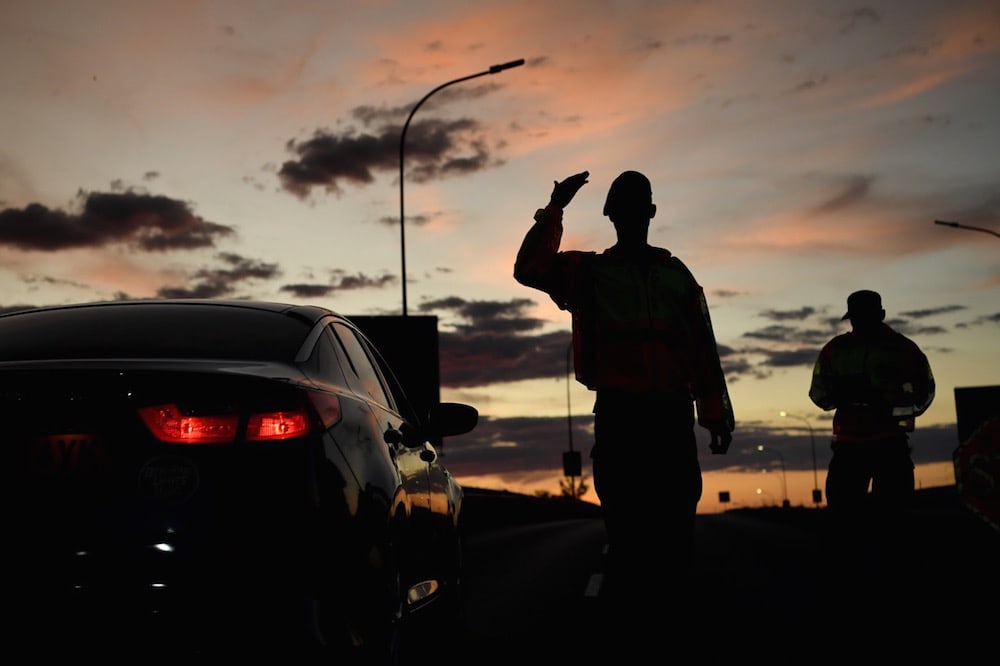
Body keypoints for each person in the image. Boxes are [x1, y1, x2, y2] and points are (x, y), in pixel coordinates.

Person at [513, 170, 735, 613]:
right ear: (611, 214)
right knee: (629, 535)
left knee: (673, 535)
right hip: (622, 417)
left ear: (650, 213)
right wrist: (555, 209)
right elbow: (529, 269)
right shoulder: (589, 273)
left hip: (670, 417)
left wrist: (716, 414)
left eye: (638, 207)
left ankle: (661, 611)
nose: (632, 216)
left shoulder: (677, 277)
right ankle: (632, 617)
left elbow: (701, 347)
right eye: (625, 208)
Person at [808, 289, 935, 610]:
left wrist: (887, 404)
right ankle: (852, 584)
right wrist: (845, 395)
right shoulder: (839, 350)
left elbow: (923, 393)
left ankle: (890, 584)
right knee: (847, 520)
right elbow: (820, 395)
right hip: (856, 446)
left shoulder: (900, 350)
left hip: (885, 445)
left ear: (877, 316)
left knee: (889, 520)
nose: (860, 324)